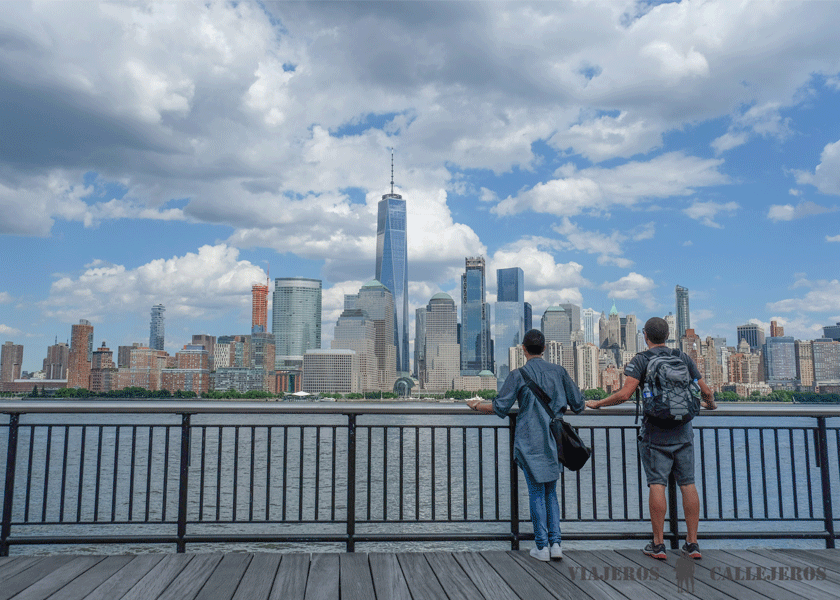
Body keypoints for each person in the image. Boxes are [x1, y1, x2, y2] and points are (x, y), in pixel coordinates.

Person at [585, 316, 716, 560]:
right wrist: (711, 405)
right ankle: (693, 543)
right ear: (667, 335)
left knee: (657, 483)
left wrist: (598, 404)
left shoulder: (641, 360)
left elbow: (624, 395)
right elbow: (706, 390)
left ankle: (658, 545)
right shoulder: (683, 357)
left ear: (645, 335)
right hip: (683, 429)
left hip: (655, 431)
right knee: (687, 483)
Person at [468, 329, 585, 561]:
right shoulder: (559, 371)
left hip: (529, 441)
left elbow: (500, 407)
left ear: (523, 349)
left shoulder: (518, 374)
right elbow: (579, 404)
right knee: (551, 492)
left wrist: (476, 405)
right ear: (544, 349)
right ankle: (556, 545)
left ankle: (541, 547)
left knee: (536, 492)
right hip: (555, 441)